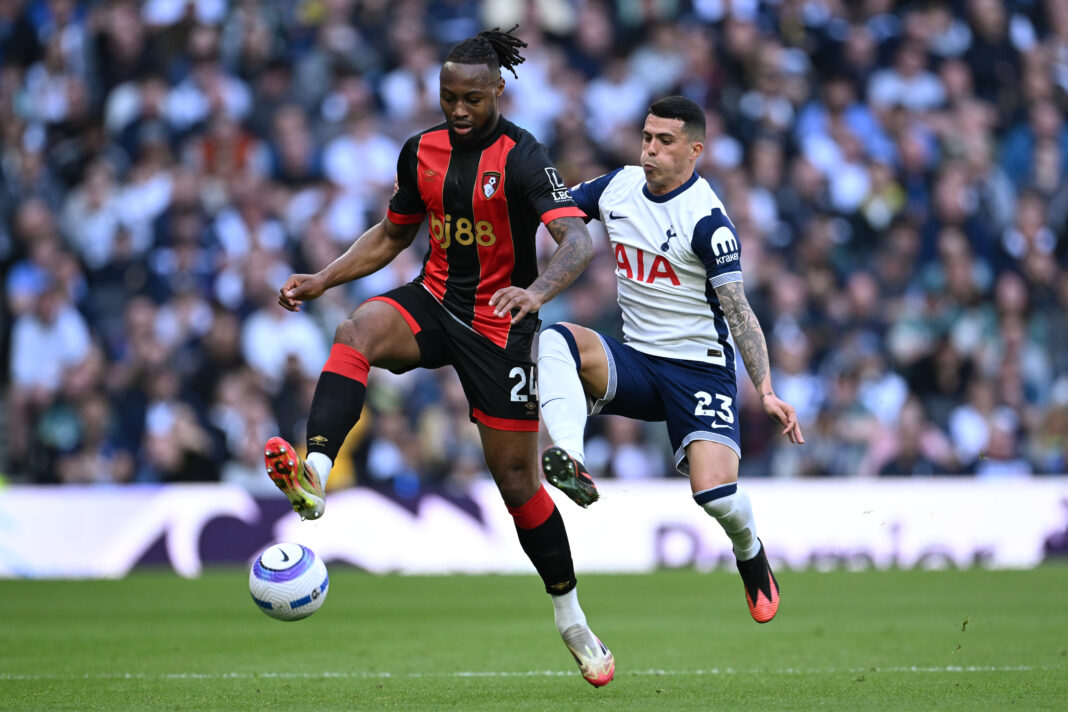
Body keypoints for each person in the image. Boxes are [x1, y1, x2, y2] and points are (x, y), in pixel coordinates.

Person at [262, 28, 614, 687]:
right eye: (448, 97)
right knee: (356, 329)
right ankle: (314, 473)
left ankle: (572, 620)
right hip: (433, 300)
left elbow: (576, 242)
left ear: (498, 93)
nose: (457, 110)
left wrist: (535, 292)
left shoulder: (523, 157)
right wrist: (321, 277)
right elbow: (394, 233)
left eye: (471, 99)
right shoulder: (419, 150)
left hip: (499, 326)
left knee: (519, 487)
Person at [536, 96, 805, 624]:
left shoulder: (708, 222)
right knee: (555, 340)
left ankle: (750, 551)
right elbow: (556, 209)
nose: (650, 150)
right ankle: (570, 459)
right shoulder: (618, 187)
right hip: (637, 360)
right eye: (646, 137)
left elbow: (739, 311)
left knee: (715, 495)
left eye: (665, 141)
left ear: (695, 151)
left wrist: (766, 389)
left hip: (698, 369)